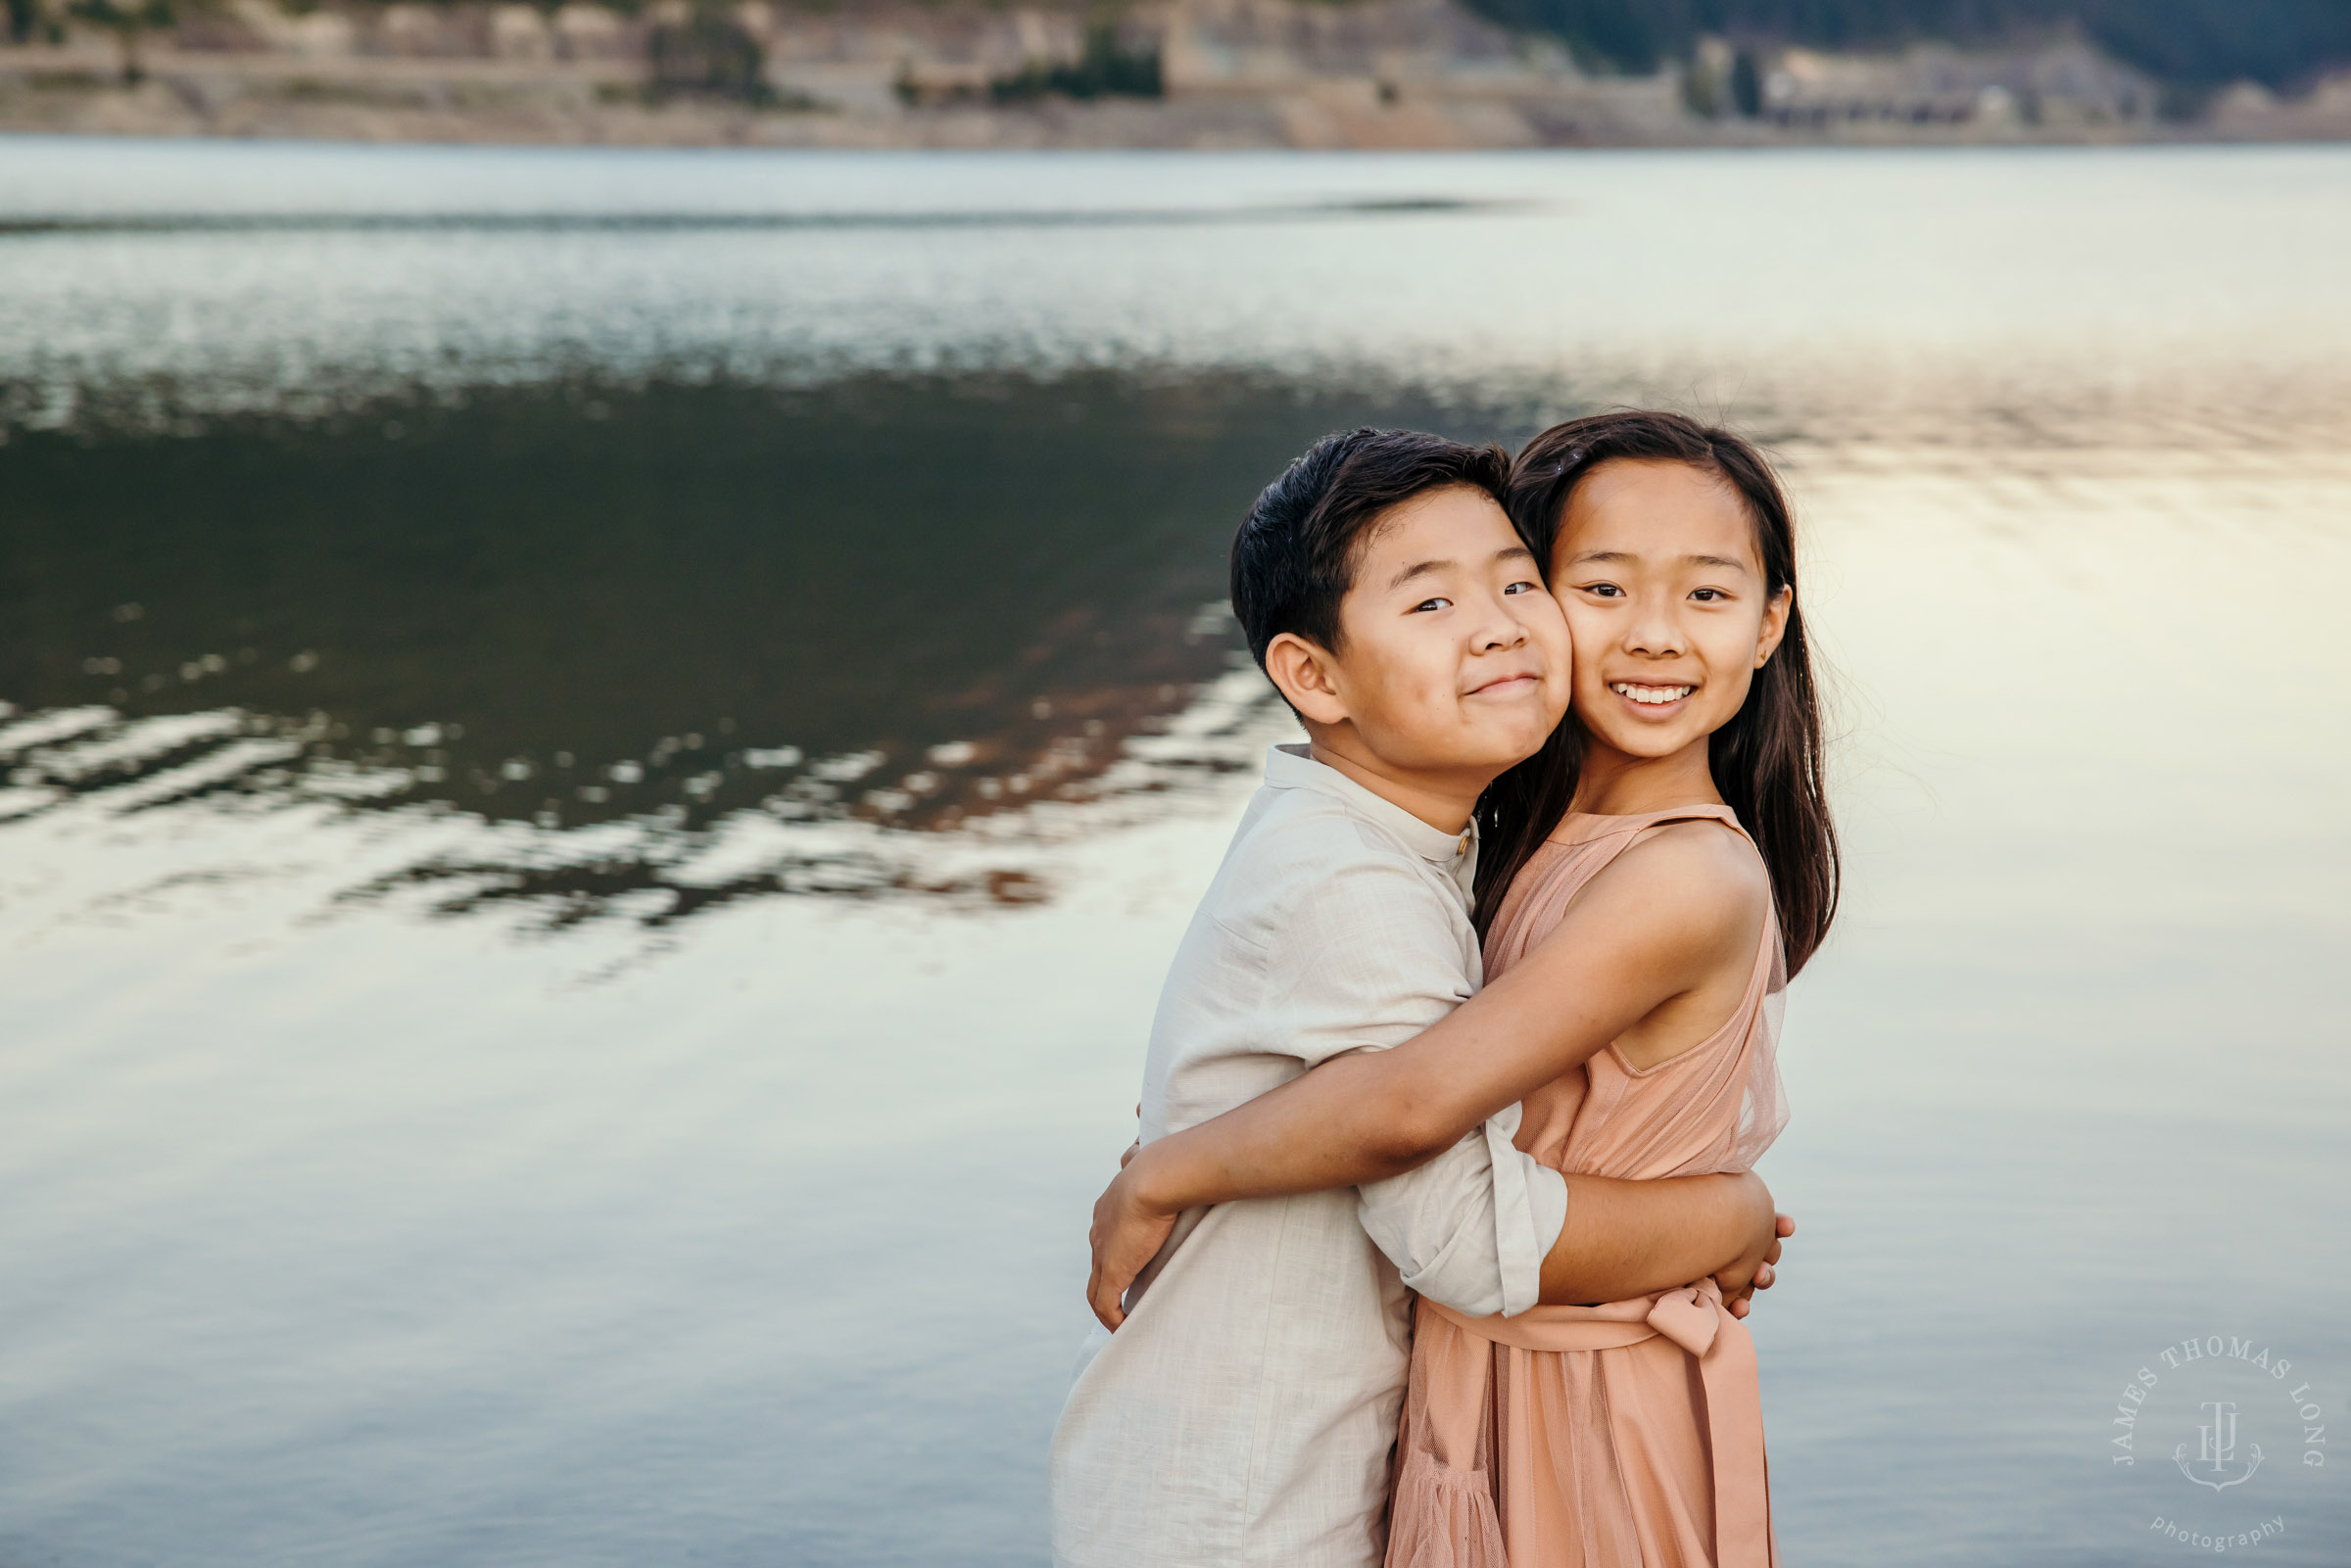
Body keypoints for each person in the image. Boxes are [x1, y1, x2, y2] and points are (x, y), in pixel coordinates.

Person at [1087, 410, 1836, 1568]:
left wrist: (1171, 1164)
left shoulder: (1674, 872)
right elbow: (1413, 1134)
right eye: (1597, 587)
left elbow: (1410, 1114)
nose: (1651, 635)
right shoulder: (1431, 855)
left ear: (1769, 622)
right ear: (1314, 673)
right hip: (1302, 1461)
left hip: (1566, 1409)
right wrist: (1725, 1214)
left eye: (1706, 595)